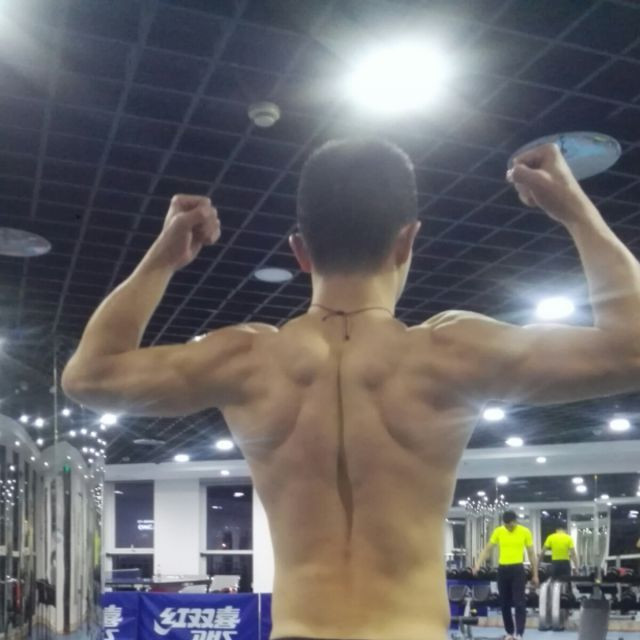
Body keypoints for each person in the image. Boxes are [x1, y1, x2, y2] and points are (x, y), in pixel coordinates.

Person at [62, 139, 640, 640]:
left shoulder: (247, 359)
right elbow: (631, 350)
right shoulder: (450, 353)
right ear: (407, 241)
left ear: (300, 251)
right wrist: (575, 211)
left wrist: (162, 258)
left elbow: (89, 376)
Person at [474, 511, 537, 640]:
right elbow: (487, 549)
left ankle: (519, 634)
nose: (508, 527)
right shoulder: (499, 531)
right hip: (503, 570)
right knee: (504, 603)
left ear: (515, 521)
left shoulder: (525, 531)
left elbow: (531, 554)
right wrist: (478, 564)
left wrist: (535, 574)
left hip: (517, 569)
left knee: (519, 603)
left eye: (511, 525)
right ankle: (509, 632)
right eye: (506, 525)